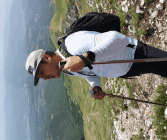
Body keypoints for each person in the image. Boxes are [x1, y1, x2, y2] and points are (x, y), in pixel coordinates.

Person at [25, 30, 167, 100]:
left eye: (42, 73)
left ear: (46, 58)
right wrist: (95, 86)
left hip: (137, 54)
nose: (46, 78)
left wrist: (86, 58)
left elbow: (119, 38)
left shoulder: (73, 44)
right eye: (42, 77)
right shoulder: (66, 68)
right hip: (131, 69)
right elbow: (90, 74)